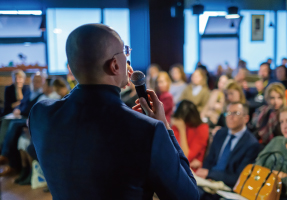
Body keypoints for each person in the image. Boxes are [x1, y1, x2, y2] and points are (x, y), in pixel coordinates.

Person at [29, 24, 199, 200]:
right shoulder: (147, 130)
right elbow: (188, 196)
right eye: (125, 52)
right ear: (115, 65)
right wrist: (165, 128)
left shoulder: (40, 114)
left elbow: (81, 97)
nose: (127, 58)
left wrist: (94, 77)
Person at [195, 102, 260, 199]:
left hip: (228, 188)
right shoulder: (220, 134)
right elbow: (209, 160)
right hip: (208, 182)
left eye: (235, 113)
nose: (231, 117)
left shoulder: (252, 144)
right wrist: (206, 174)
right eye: (228, 113)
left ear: (246, 118)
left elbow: (239, 177)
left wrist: (210, 174)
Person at [255, 104, 287, 200]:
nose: (284, 126)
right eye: (281, 122)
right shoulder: (276, 141)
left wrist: (267, 175)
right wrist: (280, 176)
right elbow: (256, 170)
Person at [172, 100, 209, 170]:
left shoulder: (202, 128)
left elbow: (186, 157)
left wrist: (182, 130)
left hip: (188, 169)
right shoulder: (179, 123)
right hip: (175, 163)